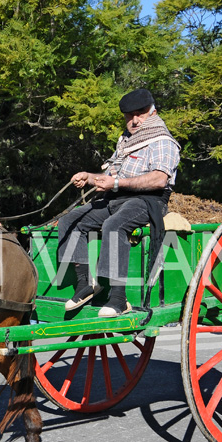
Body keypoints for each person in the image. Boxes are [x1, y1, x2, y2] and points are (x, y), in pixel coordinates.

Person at [56, 88, 180, 317]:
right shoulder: (125, 141)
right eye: (129, 115)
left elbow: (159, 179)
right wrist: (88, 177)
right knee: (69, 220)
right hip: (116, 198)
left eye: (140, 113)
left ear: (153, 112)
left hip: (148, 201)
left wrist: (116, 184)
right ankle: (85, 284)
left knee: (113, 225)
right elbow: (110, 176)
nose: (134, 120)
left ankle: (118, 299)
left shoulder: (162, 141)